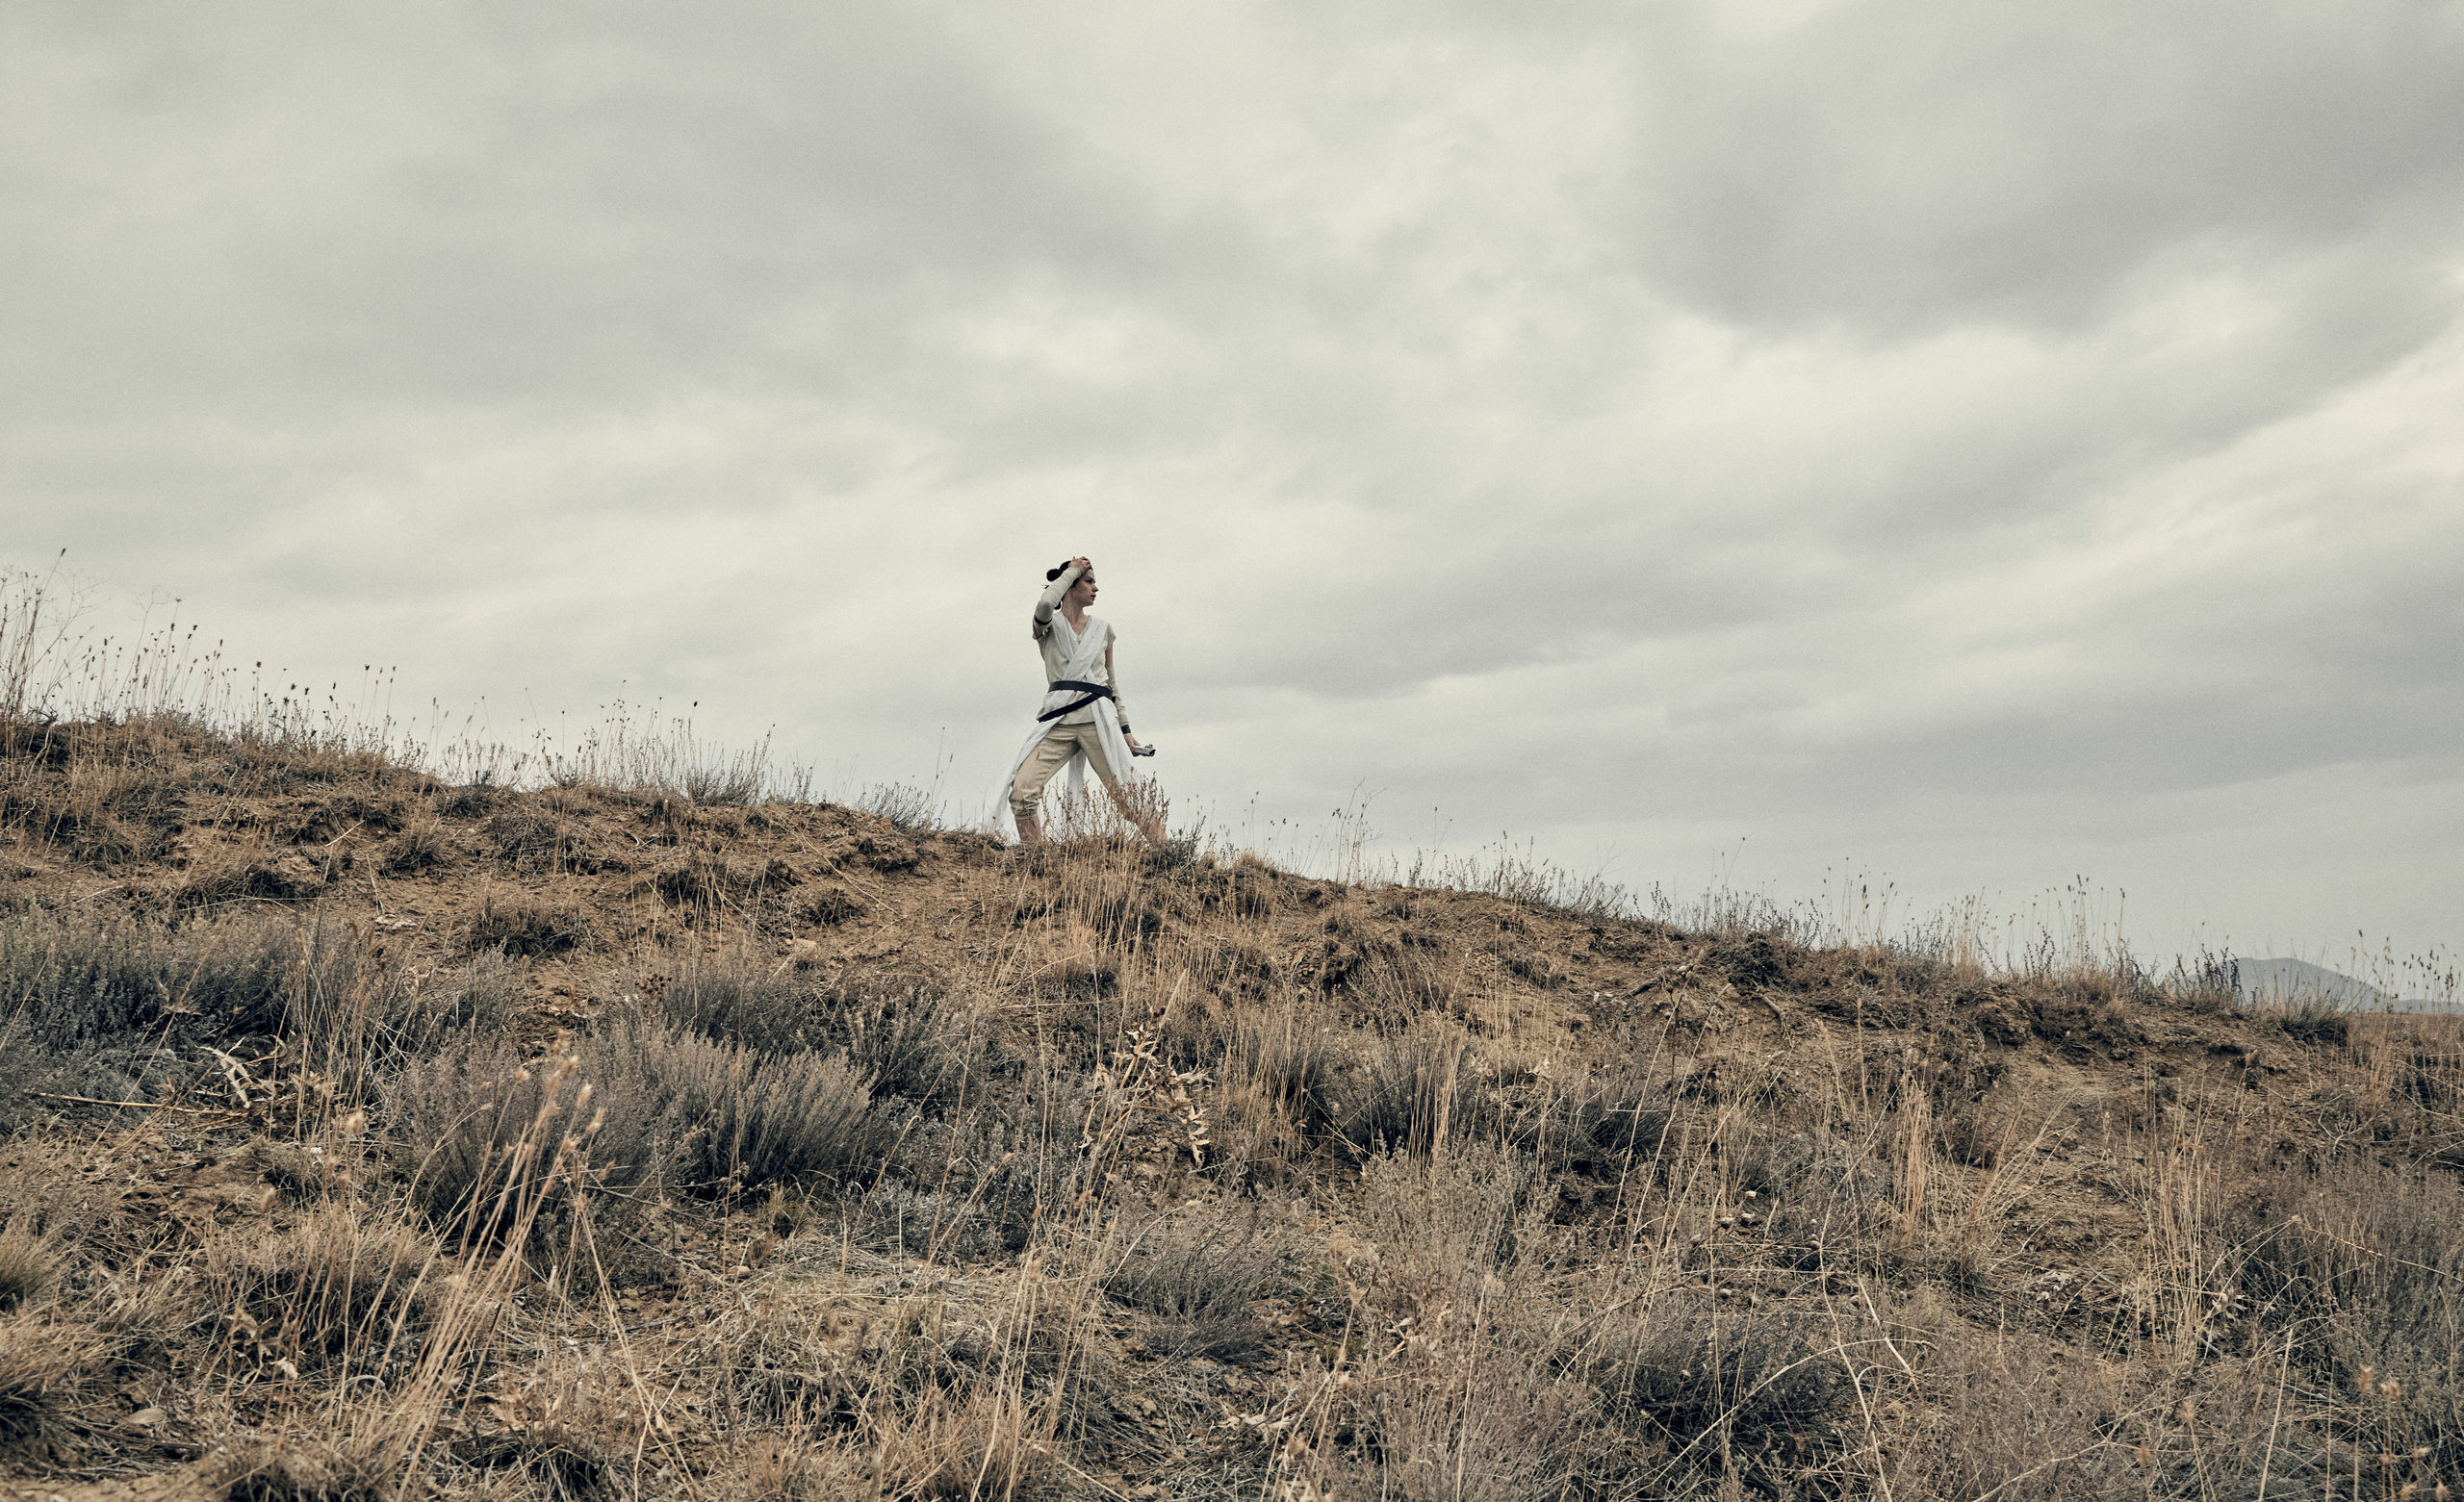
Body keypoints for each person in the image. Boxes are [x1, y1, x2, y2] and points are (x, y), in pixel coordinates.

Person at [994, 555, 1161, 845]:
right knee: (1022, 792)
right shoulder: (1047, 626)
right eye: (1089, 581)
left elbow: (1112, 684)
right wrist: (1071, 570)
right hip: (1058, 720)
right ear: (1070, 584)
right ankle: (1036, 862)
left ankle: (1170, 857)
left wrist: (1126, 730)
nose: (1096, 588)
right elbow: (1046, 604)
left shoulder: (1103, 630)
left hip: (1098, 720)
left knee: (1129, 797)